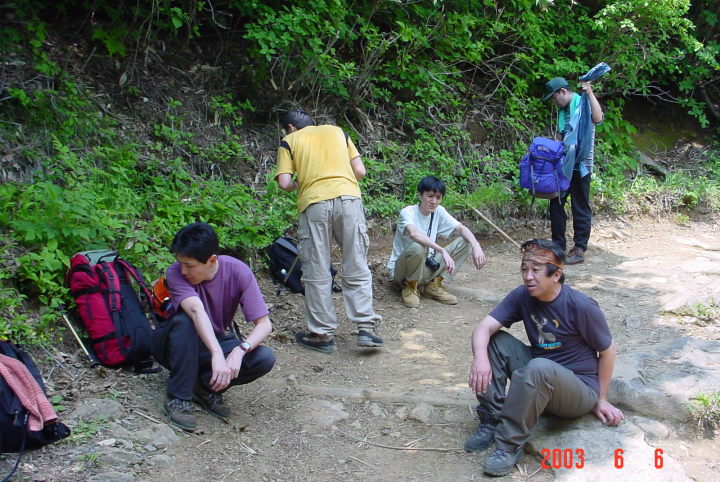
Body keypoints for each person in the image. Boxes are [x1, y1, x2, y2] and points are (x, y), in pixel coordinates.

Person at [465, 238, 623, 476]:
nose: (528, 276)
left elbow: (608, 351)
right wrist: (480, 360)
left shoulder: (581, 306)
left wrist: (601, 399)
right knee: (493, 342)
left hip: (578, 389)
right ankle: (491, 418)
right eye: (524, 269)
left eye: (536, 270)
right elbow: (483, 328)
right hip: (538, 377)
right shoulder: (522, 296)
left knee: (540, 367)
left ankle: (509, 445)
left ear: (556, 275)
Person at [275, 109, 383, 354]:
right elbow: (360, 172)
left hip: (315, 204)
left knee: (317, 268)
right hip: (349, 200)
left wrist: (302, 182)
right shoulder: (338, 132)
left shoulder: (289, 141)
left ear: (290, 128)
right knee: (356, 262)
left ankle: (322, 334)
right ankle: (366, 327)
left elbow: (284, 182)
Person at [152, 222, 276, 432]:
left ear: (211, 260)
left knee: (263, 358)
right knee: (185, 322)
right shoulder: (175, 273)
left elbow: (264, 324)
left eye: (190, 265)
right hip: (174, 344)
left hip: (213, 340)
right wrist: (217, 353)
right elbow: (195, 310)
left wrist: (240, 350)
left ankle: (202, 387)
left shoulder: (238, 271)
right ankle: (178, 397)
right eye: (180, 263)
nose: (183, 270)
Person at [387, 176, 486, 307]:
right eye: (430, 196)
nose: (434, 201)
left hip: (426, 266)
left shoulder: (438, 211)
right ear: (420, 195)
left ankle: (434, 285)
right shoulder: (408, 212)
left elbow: (461, 228)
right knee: (418, 246)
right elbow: (414, 234)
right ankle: (410, 287)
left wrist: (476, 245)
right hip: (403, 272)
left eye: (438, 197)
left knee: (465, 242)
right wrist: (441, 250)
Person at [543, 77, 603, 264]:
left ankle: (579, 248)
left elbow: (598, 117)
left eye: (554, 98)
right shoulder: (562, 112)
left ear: (562, 91)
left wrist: (590, 91)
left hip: (582, 164)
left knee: (580, 206)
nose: (554, 102)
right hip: (564, 165)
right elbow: (562, 137)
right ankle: (558, 247)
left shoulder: (582, 103)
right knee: (556, 202)